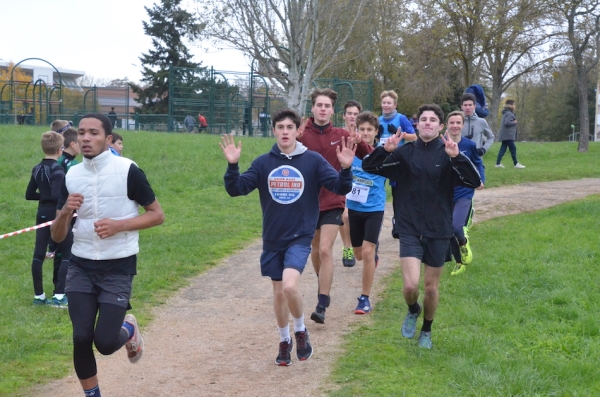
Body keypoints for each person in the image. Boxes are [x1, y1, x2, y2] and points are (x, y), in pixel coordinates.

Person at [220, 108, 355, 366]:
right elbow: (236, 189)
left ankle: (301, 331)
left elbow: (340, 187)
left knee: (290, 286)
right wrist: (232, 165)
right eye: (280, 127)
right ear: (274, 131)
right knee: (279, 293)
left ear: (297, 131)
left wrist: (346, 169)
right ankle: (285, 340)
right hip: (273, 238)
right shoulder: (263, 163)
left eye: (289, 127)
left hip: (301, 236)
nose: (284, 132)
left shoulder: (313, 161)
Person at [50, 113, 165, 397]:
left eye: (94, 133)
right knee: (80, 338)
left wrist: (119, 225)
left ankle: (129, 326)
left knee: (103, 342)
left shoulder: (128, 170)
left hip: (118, 266)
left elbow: (157, 215)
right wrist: (65, 211)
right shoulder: (71, 175)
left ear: (109, 139)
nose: (86, 138)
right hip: (80, 266)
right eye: (82, 133)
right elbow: (57, 235)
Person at [362, 104, 482, 349]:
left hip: (439, 229)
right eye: (423, 119)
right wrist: (384, 151)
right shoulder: (404, 153)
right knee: (409, 286)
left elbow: (474, 181)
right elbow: (368, 167)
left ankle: (426, 330)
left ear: (440, 126)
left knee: (430, 287)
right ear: (417, 125)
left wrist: (457, 158)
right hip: (409, 227)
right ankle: (412, 309)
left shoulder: (449, 152)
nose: (427, 122)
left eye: (432, 120)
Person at [297, 88, 373, 324]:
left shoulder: (341, 134)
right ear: (312, 108)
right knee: (315, 248)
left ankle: (322, 303)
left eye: (327, 106)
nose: (322, 109)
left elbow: (368, 155)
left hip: (333, 200)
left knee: (326, 250)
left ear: (332, 110)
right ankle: (324, 280)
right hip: (308, 201)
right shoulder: (301, 133)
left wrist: (360, 143)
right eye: (319, 105)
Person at [346, 111, 387, 314]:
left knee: (368, 252)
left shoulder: (382, 153)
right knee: (359, 255)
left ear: (376, 132)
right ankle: (373, 254)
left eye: (369, 130)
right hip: (354, 208)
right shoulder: (350, 151)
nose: (365, 133)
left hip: (374, 209)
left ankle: (364, 299)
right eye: (361, 129)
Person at [25, 131, 68, 307]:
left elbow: (29, 195)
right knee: (66, 252)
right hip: (56, 214)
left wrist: (42, 197)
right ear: (60, 150)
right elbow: (58, 195)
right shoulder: (58, 169)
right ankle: (59, 296)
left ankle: (39, 296)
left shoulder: (37, 168)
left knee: (39, 253)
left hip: (42, 212)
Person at [444, 111, 485, 276]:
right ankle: (459, 263)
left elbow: (478, 163)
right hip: (445, 193)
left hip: (464, 192)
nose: (454, 126)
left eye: (458, 123)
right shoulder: (440, 145)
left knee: (456, 227)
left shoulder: (469, 145)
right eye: (451, 122)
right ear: (447, 125)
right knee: (447, 230)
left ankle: (464, 241)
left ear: (462, 125)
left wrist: (480, 179)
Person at [340, 100, 363, 268]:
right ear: (344, 116)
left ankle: (361, 242)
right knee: (344, 215)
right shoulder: (338, 134)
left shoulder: (363, 134)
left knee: (356, 216)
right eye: (350, 113)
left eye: (355, 114)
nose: (352, 117)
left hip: (361, 182)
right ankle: (347, 247)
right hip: (342, 178)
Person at [496, 100, 525, 169]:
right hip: (508, 135)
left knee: (503, 148)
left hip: (504, 135)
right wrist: (514, 122)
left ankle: (498, 163)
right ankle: (516, 163)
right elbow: (507, 123)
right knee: (513, 148)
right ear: (511, 105)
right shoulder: (509, 114)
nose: (515, 106)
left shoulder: (505, 113)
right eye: (514, 105)